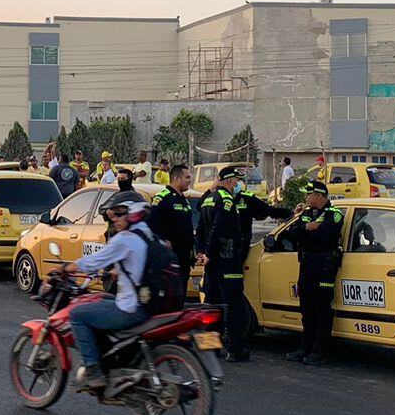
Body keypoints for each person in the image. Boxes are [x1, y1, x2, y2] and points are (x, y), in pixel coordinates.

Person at [60, 189, 157, 392]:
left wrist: (67, 268)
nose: (114, 219)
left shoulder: (125, 239)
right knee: (103, 298)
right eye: (113, 215)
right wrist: (116, 272)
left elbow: (93, 261)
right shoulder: (148, 234)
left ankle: (93, 371)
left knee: (77, 314)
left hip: (130, 308)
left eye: (120, 213)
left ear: (134, 212)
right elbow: (141, 265)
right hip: (150, 304)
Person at [278, 182, 344, 365]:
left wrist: (306, 232)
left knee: (322, 308)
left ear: (319, 196)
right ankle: (305, 347)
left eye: (309, 194)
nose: (306, 198)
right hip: (306, 265)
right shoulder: (306, 214)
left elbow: (323, 236)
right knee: (306, 307)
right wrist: (307, 228)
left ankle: (320, 351)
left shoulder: (335, 214)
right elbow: (292, 234)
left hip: (324, 267)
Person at [197, 167, 252, 362]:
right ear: (228, 181)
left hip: (212, 262)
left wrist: (202, 252)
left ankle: (210, 349)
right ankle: (235, 350)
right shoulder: (226, 200)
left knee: (212, 306)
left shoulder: (207, 200)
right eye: (235, 181)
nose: (237, 184)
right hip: (227, 260)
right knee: (233, 305)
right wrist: (210, 253)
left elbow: (200, 228)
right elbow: (218, 228)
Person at [148, 163, 196, 297]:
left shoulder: (184, 200)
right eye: (187, 177)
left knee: (181, 295)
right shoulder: (163, 198)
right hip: (170, 257)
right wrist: (164, 241)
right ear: (176, 178)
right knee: (170, 295)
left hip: (184, 256)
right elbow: (152, 226)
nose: (189, 180)